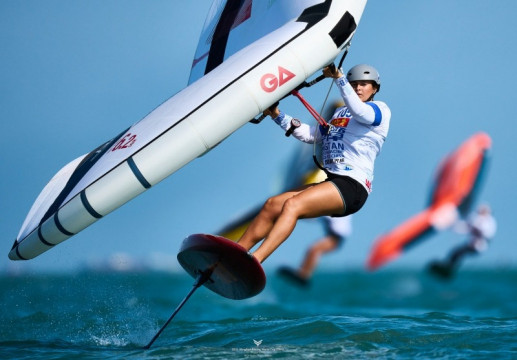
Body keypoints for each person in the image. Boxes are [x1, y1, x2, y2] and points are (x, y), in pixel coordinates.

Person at [236, 64, 391, 264]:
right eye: (354, 85)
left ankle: (255, 259)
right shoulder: (340, 114)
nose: (358, 88)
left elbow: (360, 111)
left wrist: (339, 79)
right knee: (272, 205)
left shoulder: (379, 110)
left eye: (364, 85)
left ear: (374, 89)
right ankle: (236, 253)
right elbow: (312, 135)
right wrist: (277, 115)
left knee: (293, 205)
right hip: (334, 181)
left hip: (353, 186)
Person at [278, 215, 352, 286]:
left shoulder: (334, 211)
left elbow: (317, 214)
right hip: (336, 236)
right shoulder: (330, 212)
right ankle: (303, 272)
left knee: (315, 250)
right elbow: (314, 218)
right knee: (313, 250)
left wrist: (298, 215)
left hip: (337, 238)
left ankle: (304, 274)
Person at [429, 204, 497, 279]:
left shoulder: (489, 221)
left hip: (479, 245)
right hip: (473, 244)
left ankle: (448, 270)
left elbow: (484, 232)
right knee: (455, 252)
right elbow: (464, 228)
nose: (480, 212)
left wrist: (473, 226)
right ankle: (447, 268)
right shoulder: (477, 219)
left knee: (459, 253)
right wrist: (451, 224)